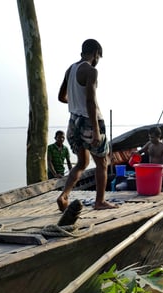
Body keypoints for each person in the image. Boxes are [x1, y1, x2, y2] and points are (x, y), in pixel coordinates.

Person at [56, 39, 118, 211]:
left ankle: (64, 195)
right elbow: (90, 102)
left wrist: (75, 103)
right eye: (99, 56)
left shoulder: (71, 69)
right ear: (96, 53)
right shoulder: (91, 71)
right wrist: (96, 131)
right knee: (102, 163)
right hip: (90, 121)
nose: (99, 60)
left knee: (82, 163)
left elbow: (61, 97)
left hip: (73, 122)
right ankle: (100, 202)